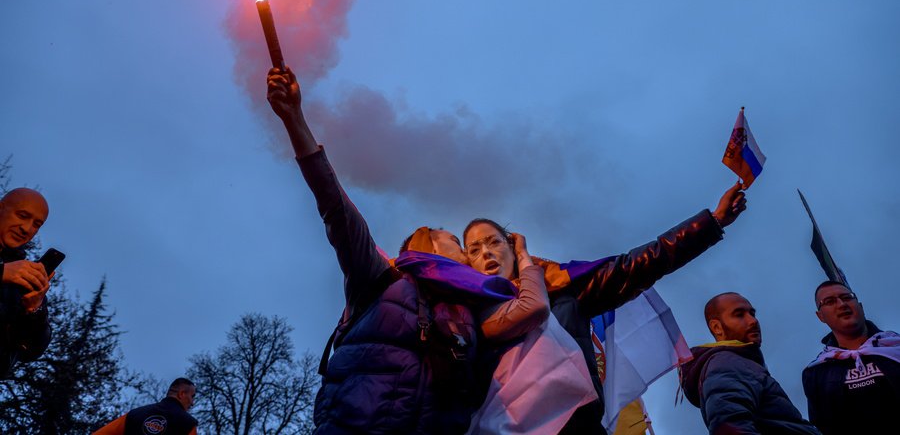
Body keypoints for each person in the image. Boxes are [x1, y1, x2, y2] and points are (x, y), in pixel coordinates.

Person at [267, 67, 550, 434]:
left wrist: (524, 258)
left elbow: (534, 308)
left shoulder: (470, 313)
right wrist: (295, 120)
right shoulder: (382, 280)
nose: (469, 253)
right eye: (457, 243)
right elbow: (336, 207)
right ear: (430, 245)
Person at [463, 183, 747, 434]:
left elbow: (635, 265)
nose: (486, 252)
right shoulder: (463, 316)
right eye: (474, 249)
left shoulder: (562, 289)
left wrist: (712, 222)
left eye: (494, 242)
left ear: (514, 249)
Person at [679, 292, 820, 434]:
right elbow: (730, 427)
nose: (753, 321)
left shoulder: (737, 363)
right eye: (739, 314)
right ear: (717, 327)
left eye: (752, 314)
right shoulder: (726, 363)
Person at [801, 281, 900, 434]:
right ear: (820, 316)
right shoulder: (816, 372)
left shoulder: (895, 347)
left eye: (847, 297)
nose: (841, 304)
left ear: (860, 306)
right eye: (829, 301)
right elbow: (821, 427)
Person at [0, 187, 52, 378]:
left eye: (36, 224)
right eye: (22, 216)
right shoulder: (11, 271)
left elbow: (31, 352)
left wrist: (34, 310)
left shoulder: (22, 275)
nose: (27, 228)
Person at [92, 377, 198, 435]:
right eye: (192, 396)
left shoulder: (134, 415)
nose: (192, 403)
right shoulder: (188, 424)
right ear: (182, 394)